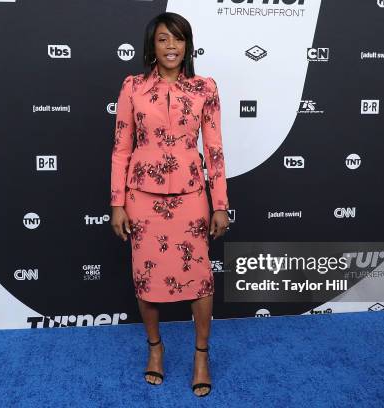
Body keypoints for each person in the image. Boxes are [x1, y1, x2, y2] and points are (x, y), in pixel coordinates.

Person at [110, 12, 230, 397]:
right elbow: (120, 149)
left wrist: (220, 204)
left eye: (178, 39)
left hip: (192, 196)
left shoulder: (204, 89)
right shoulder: (132, 88)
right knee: (146, 279)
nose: (171, 46)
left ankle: (200, 355)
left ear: (187, 45)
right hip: (141, 198)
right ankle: (155, 350)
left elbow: (214, 151)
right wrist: (117, 203)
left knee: (200, 278)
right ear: (152, 46)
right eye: (163, 39)